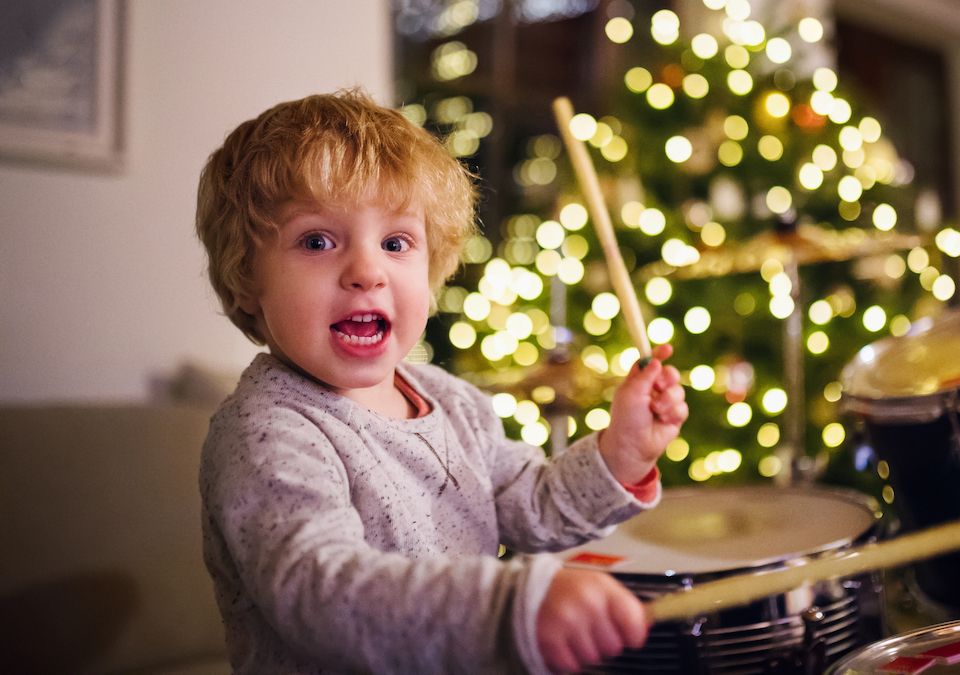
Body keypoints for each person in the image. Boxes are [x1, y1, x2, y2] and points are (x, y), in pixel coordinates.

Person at [193, 89, 688, 674]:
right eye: (318, 241)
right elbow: (318, 591)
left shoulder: (452, 402)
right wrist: (510, 607)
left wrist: (620, 453)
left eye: (396, 243)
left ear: (430, 273)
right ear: (246, 276)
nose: (367, 272)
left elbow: (532, 506)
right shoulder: (266, 432)